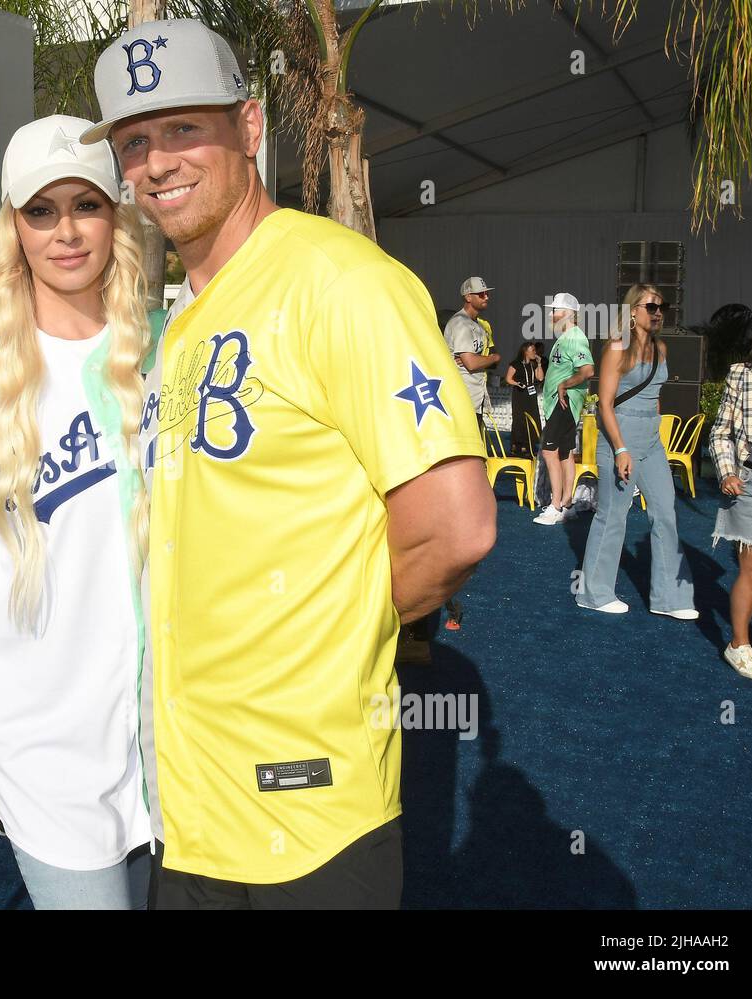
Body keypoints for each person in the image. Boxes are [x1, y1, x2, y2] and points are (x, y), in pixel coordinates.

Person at [83, 18, 496, 909]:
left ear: (252, 127)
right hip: (192, 810)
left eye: (184, 129)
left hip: (308, 819)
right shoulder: (185, 314)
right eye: (135, 141)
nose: (157, 163)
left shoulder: (338, 279)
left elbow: (456, 527)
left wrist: (329, 629)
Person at [0, 115, 155, 908]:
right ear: (14, 227)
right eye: (41, 211)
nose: (67, 231)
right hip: (42, 739)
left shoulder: (165, 350)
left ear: (116, 216)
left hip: (167, 730)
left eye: (87, 204)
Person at [576, 284, 696, 618]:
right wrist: (620, 448)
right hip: (619, 436)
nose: (658, 312)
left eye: (662, 307)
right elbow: (605, 404)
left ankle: (671, 598)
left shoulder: (661, 348)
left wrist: (655, 431)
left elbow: (655, 395)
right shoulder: (618, 347)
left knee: (666, 513)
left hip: (651, 438)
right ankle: (593, 593)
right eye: (651, 307)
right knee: (613, 515)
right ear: (632, 311)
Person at [708, 305, 752, 680]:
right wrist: (726, 473)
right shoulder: (744, 374)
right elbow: (720, 432)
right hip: (751, 482)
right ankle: (739, 645)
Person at [534, 293, 594, 525]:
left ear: (568, 314)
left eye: (555, 310)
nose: (550, 314)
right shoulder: (565, 337)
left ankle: (555, 504)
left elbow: (587, 370)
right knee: (565, 452)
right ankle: (567, 503)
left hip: (565, 401)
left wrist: (564, 384)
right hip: (561, 402)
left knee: (549, 451)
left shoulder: (575, 337)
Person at [443, 277, 501, 433]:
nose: (486, 297)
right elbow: (472, 363)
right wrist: (492, 358)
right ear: (468, 297)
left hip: (475, 395)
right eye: (481, 294)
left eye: (486, 293)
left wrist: (487, 359)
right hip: (462, 397)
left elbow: (489, 360)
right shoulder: (461, 323)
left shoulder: (479, 324)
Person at [505, 342, 544, 457]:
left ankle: (529, 443)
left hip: (531, 394)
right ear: (525, 351)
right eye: (532, 350)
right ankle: (517, 444)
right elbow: (508, 378)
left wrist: (539, 364)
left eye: (534, 351)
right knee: (519, 418)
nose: (534, 353)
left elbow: (540, 377)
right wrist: (517, 383)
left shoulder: (533, 365)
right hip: (520, 393)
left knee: (533, 416)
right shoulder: (515, 364)